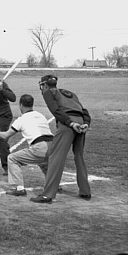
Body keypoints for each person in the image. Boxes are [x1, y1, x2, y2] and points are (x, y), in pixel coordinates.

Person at [31, 75, 92, 204]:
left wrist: (70, 123)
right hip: (81, 122)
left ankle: (47, 195)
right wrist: (86, 123)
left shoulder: (48, 92)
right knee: (79, 156)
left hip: (68, 124)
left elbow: (56, 111)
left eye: (42, 86)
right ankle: (85, 191)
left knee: (55, 156)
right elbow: (84, 111)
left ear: (45, 85)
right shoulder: (70, 94)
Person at [0, 94, 53, 196]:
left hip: (39, 147)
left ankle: (19, 188)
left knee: (12, 158)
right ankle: (54, 185)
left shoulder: (21, 119)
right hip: (54, 147)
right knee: (44, 163)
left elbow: (5, 136)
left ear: (21, 105)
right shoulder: (41, 115)